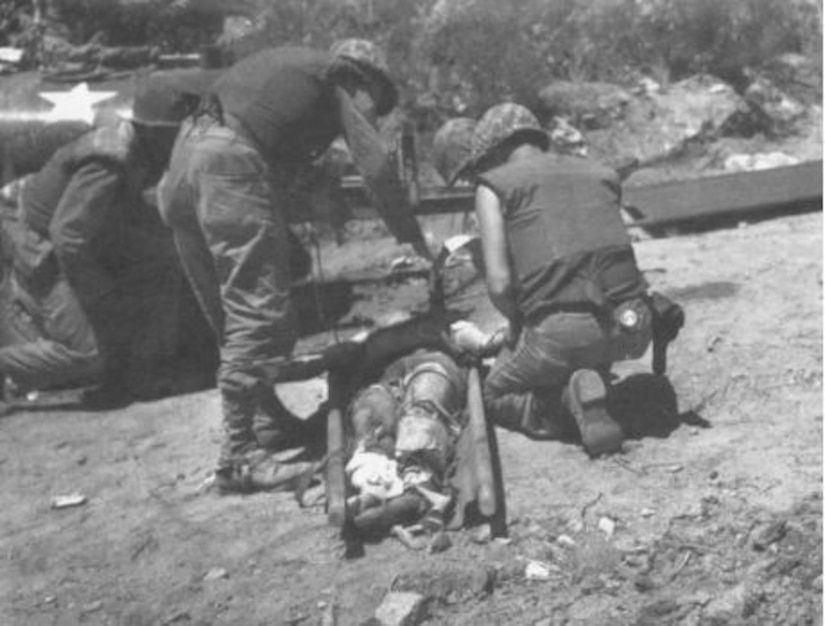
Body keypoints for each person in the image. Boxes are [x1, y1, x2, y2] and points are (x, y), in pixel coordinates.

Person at [157, 40, 433, 493]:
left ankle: (266, 423)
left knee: (230, 315)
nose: (371, 115)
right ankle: (239, 458)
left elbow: (273, 149)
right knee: (260, 315)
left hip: (184, 160)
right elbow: (377, 168)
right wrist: (412, 238)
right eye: (377, 105)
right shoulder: (340, 78)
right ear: (366, 79)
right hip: (227, 161)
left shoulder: (285, 75)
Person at [452, 103, 660, 457]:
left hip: (564, 336)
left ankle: (567, 404)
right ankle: (592, 379)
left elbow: (500, 285)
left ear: (496, 151)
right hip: (633, 328)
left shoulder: (494, 187)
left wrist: (519, 326)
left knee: (493, 394)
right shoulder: (601, 173)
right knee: (577, 342)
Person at [0, 73, 217, 411]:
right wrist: (101, 295)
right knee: (88, 354)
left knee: (168, 254)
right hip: (40, 241)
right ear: (159, 131)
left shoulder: (140, 144)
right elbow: (68, 236)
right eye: (181, 132)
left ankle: (141, 371)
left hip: (92, 227)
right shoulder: (110, 158)